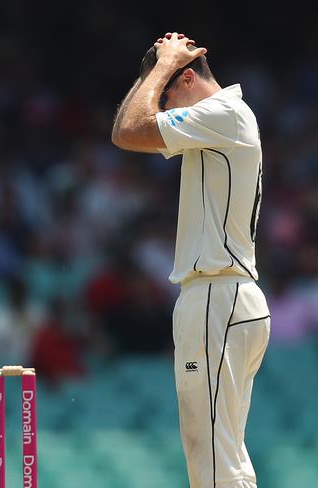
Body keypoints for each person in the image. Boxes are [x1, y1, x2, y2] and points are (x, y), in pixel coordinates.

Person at [112, 33, 271, 488]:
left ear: (185, 77)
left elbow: (128, 131)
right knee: (221, 457)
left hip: (217, 297)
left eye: (164, 93)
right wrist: (156, 73)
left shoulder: (223, 112)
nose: (158, 106)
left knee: (215, 463)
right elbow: (135, 125)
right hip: (223, 296)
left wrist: (161, 67)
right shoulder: (219, 122)